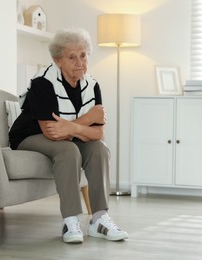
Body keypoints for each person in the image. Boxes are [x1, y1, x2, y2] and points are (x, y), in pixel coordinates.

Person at [9, 28, 128, 243]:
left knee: (99, 148)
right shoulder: (42, 84)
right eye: (71, 57)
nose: (79, 62)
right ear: (57, 60)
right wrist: (87, 119)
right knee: (68, 149)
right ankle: (70, 220)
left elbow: (98, 133)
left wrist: (73, 128)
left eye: (83, 55)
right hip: (29, 136)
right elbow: (52, 132)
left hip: (67, 136)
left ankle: (99, 218)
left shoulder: (92, 85)